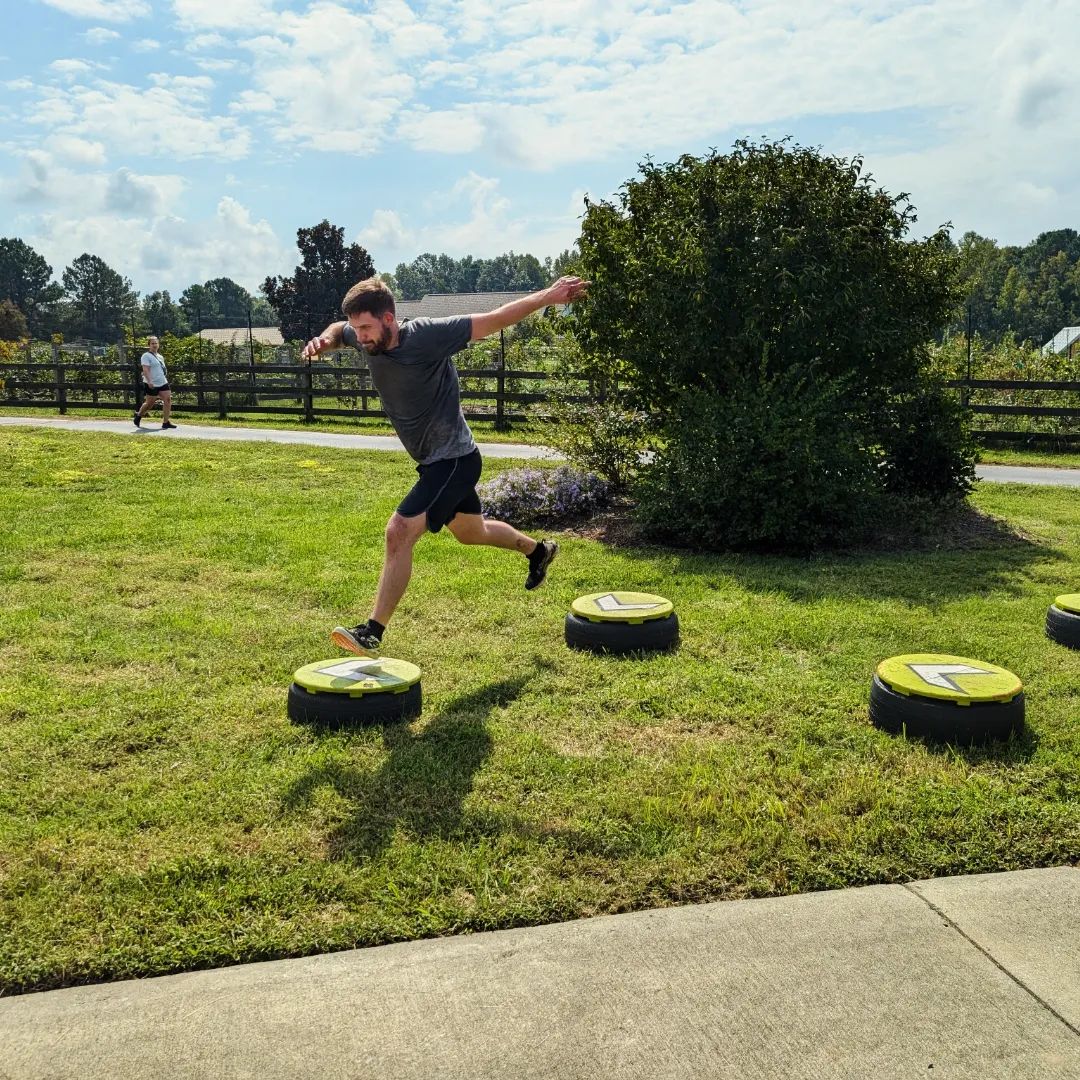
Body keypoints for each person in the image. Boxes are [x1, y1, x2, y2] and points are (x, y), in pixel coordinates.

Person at [302, 274, 589, 657]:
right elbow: (338, 330)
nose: (361, 336)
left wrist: (547, 297)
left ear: (389, 318)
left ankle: (372, 631)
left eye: (367, 327)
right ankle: (537, 551)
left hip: (453, 460)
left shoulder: (427, 336)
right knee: (473, 532)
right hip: (435, 461)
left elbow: (496, 318)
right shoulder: (362, 336)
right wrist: (325, 340)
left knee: (399, 531)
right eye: (358, 328)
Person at [133, 335, 176, 429]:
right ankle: (139, 415)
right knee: (149, 404)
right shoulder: (146, 356)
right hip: (152, 382)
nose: (154, 345)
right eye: (152, 343)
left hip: (162, 381)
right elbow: (146, 370)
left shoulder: (160, 357)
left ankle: (165, 422)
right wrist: (149, 381)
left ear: (158, 344)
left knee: (168, 399)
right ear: (149, 345)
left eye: (156, 343)